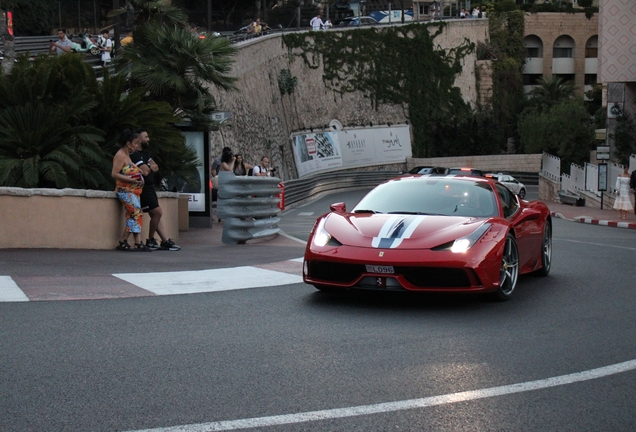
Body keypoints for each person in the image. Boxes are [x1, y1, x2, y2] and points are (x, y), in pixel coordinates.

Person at [130, 129, 181, 251]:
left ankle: (164, 240)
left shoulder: (146, 154)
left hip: (150, 188)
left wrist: (149, 167)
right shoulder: (134, 155)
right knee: (157, 212)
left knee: (155, 215)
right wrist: (149, 167)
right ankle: (151, 240)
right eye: (146, 137)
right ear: (139, 139)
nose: (148, 139)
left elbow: (156, 167)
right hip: (143, 189)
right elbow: (146, 171)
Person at [112, 130, 150, 251]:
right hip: (125, 191)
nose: (136, 146)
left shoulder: (127, 155)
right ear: (128, 143)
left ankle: (128, 241)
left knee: (133, 215)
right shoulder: (120, 155)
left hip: (133, 191)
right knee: (136, 213)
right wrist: (131, 179)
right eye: (134, 143)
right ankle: (130, 241)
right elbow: (114, 173)